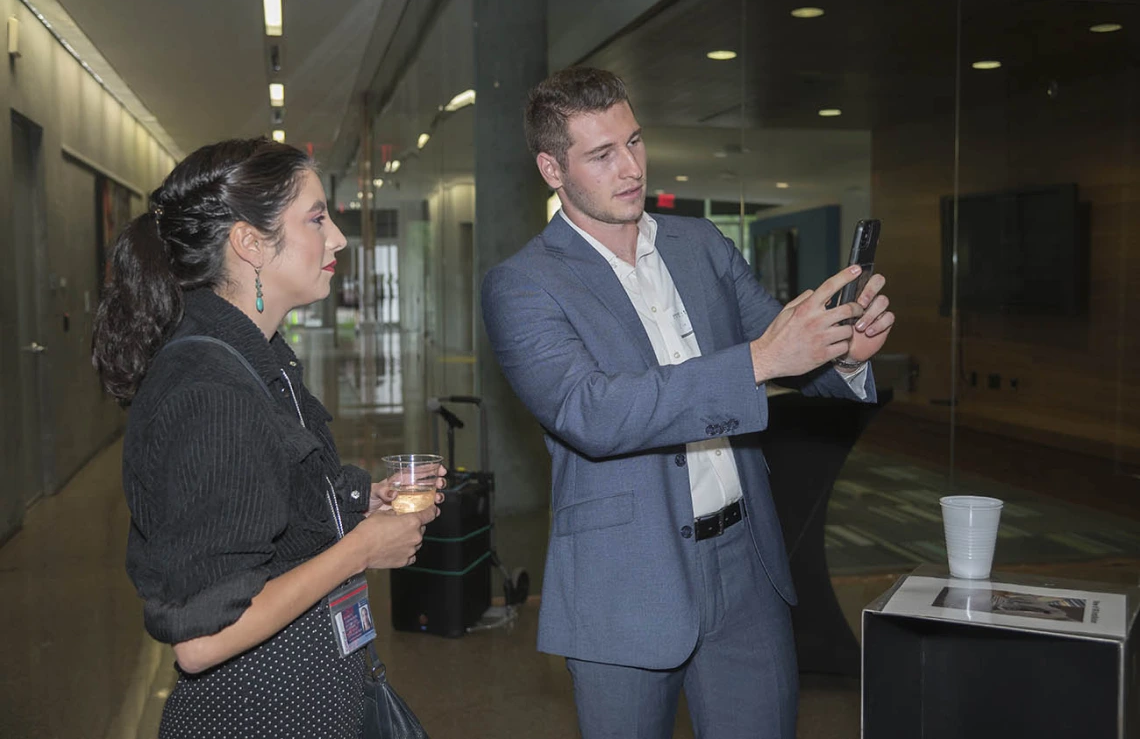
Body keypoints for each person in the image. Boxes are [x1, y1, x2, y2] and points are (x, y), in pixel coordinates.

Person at [481, 67, 895, 739]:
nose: (631, 168)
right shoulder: (524, 285)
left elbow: (787, 352)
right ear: (551, 169)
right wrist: (765, 359)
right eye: (602, 154)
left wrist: (843, 351)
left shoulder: (699, 244)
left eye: (636, 142)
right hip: (626, 578)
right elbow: (594, 412)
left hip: (745, 562)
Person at [91, 138, 443, 738]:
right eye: (315, 218)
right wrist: (360, 550)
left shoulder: (260, 358)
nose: (337, 239)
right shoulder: (214, 390)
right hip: (259, 715)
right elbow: (203, 639)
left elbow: (267, 498)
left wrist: (363, 502)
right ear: (250, 242)